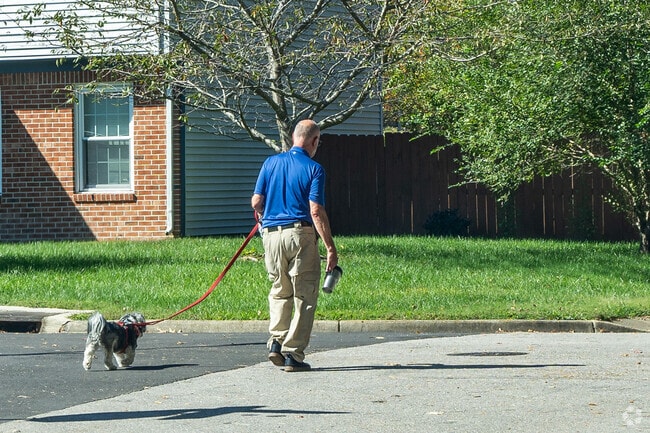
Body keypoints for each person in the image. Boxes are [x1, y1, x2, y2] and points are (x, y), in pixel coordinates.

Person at [251, 119, 338, 372]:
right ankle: (293, 354)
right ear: (313, 141)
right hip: (300, 234)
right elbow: (316, 210)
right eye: (317, 142)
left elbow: (256, 201)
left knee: (279, 289)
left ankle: (276, 342)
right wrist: (330, 247)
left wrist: (265, 215)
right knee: (304, 294)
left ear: (292, 138)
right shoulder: (314, 169)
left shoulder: (270, 163)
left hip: (271, 235)